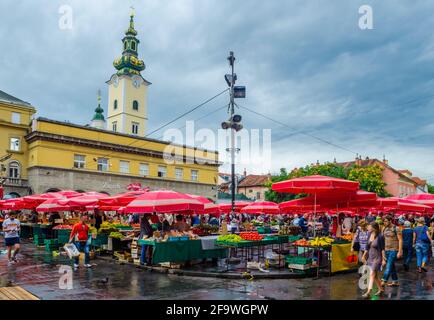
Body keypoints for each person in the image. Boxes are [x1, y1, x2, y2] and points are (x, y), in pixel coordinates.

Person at [362, 222, 386, 298]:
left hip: (377, 258)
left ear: (374, 228)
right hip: (370, 257)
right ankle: (381, 289)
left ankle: (369, 291)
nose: (367, 228)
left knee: (372, 274)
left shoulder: (380, 237)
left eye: (369, 227)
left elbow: (382, 249)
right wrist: (363, 256)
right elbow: (367, 247)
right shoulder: (369, 235)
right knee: (375, 276)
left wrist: (383, 259)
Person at [381, 215, 402, 287]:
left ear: (390, 221)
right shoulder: (384, 229)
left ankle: (383, 280)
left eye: (386, 221)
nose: (384, 222)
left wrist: (399, 251)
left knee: (388, 265)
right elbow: (383, 240)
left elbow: (400, 240)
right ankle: (395, 281)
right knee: (391, 266)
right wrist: (382, 251)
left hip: (394, 250)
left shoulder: (396, 228)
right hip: (386, 250)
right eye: (383, 221)